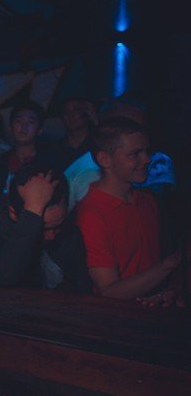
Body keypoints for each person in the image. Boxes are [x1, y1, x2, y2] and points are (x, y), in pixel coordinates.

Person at [75, 117, 181, 303]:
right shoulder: (92, 214)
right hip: (118, 318)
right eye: (135, 154)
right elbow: (109, 292)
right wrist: (171, 263)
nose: (147, 159)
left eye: (147, 151)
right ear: (105, 159)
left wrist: (171, 291)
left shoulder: (146, 199)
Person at [0, 163, 91, 291]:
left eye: (57, 227)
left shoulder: (67, 229)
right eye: (43, 228)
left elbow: (82, 286)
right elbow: (5, 276)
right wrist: (32, 213)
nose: (51, 236)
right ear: (13, 213)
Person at [0, 101, 58, 212]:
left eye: (31, 122)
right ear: (11, 127)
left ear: (39, 130)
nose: (23, 127)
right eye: (19, 121)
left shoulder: (47, 165)